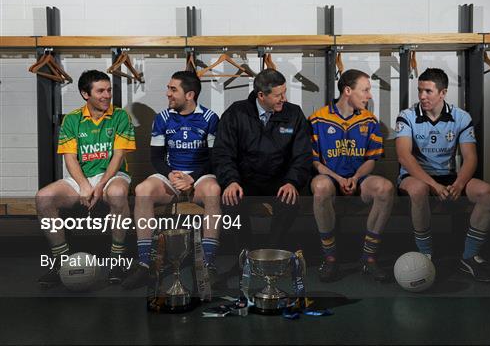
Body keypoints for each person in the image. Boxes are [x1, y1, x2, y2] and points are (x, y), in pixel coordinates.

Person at [395, 68, 490, 283]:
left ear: (442, 93)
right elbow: (404, 157)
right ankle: (426, 254)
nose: (422, 96)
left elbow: (470, 158)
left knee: (488, 192)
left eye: (428, 91)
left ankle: (469, 257)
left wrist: (459, 185)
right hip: (416, 178)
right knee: (418, 189)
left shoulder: (461, 117)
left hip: (449, 177)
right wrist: (434, 185)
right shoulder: (407, 116)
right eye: (420, 91)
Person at [36, 70, 136, 287]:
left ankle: (117, 260)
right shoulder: (72, 119)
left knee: (118, 193)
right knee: (43, 197)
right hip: (81, 177)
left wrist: (99, 186)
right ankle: (61, 263)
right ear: (85, 94)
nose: (107, 95)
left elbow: (118, 156)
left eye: (109, 90)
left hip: (112, 175)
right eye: (100, 91)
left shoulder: (120, 116)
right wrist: (83, 185)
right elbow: (70, 158)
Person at [122, 71, 221, 289]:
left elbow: (215, 158)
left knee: (214, 190)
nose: (167, 94)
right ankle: (145, 263)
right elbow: (156, 157)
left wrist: (192, 179)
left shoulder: (210, 118)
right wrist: (171, 175)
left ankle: (207, 264)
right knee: (143, 190)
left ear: (190, 94)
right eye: (168, 88)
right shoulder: (163, 118)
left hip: (200, 176)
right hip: (172, 176)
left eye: (173, 89)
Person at [212, 68, 312, 251]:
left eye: (284, 93)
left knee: (290, 201)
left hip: (280, 182)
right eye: (278, 95)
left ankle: (271, 254)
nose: (284, 99)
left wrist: (292, 182)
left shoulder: (294, 114)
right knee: (230, 201)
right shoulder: (236, 112)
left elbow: (303, 155)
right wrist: (231, 181)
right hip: (243, 181)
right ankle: (246, 255)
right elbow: (222, 152)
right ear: (261, 95)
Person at [309, 69, 394, 283]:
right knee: (320, 187)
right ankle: (330, 257)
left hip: (360, 180)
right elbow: (316, 162)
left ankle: (369, 258)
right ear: (348, 91)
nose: (369, 95)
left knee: (386, 188)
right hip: (330, 180)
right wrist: (338, 179)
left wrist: (355, 178)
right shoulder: (317, 119)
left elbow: (371, 160)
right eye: (365, 90)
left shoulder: (370, 121)